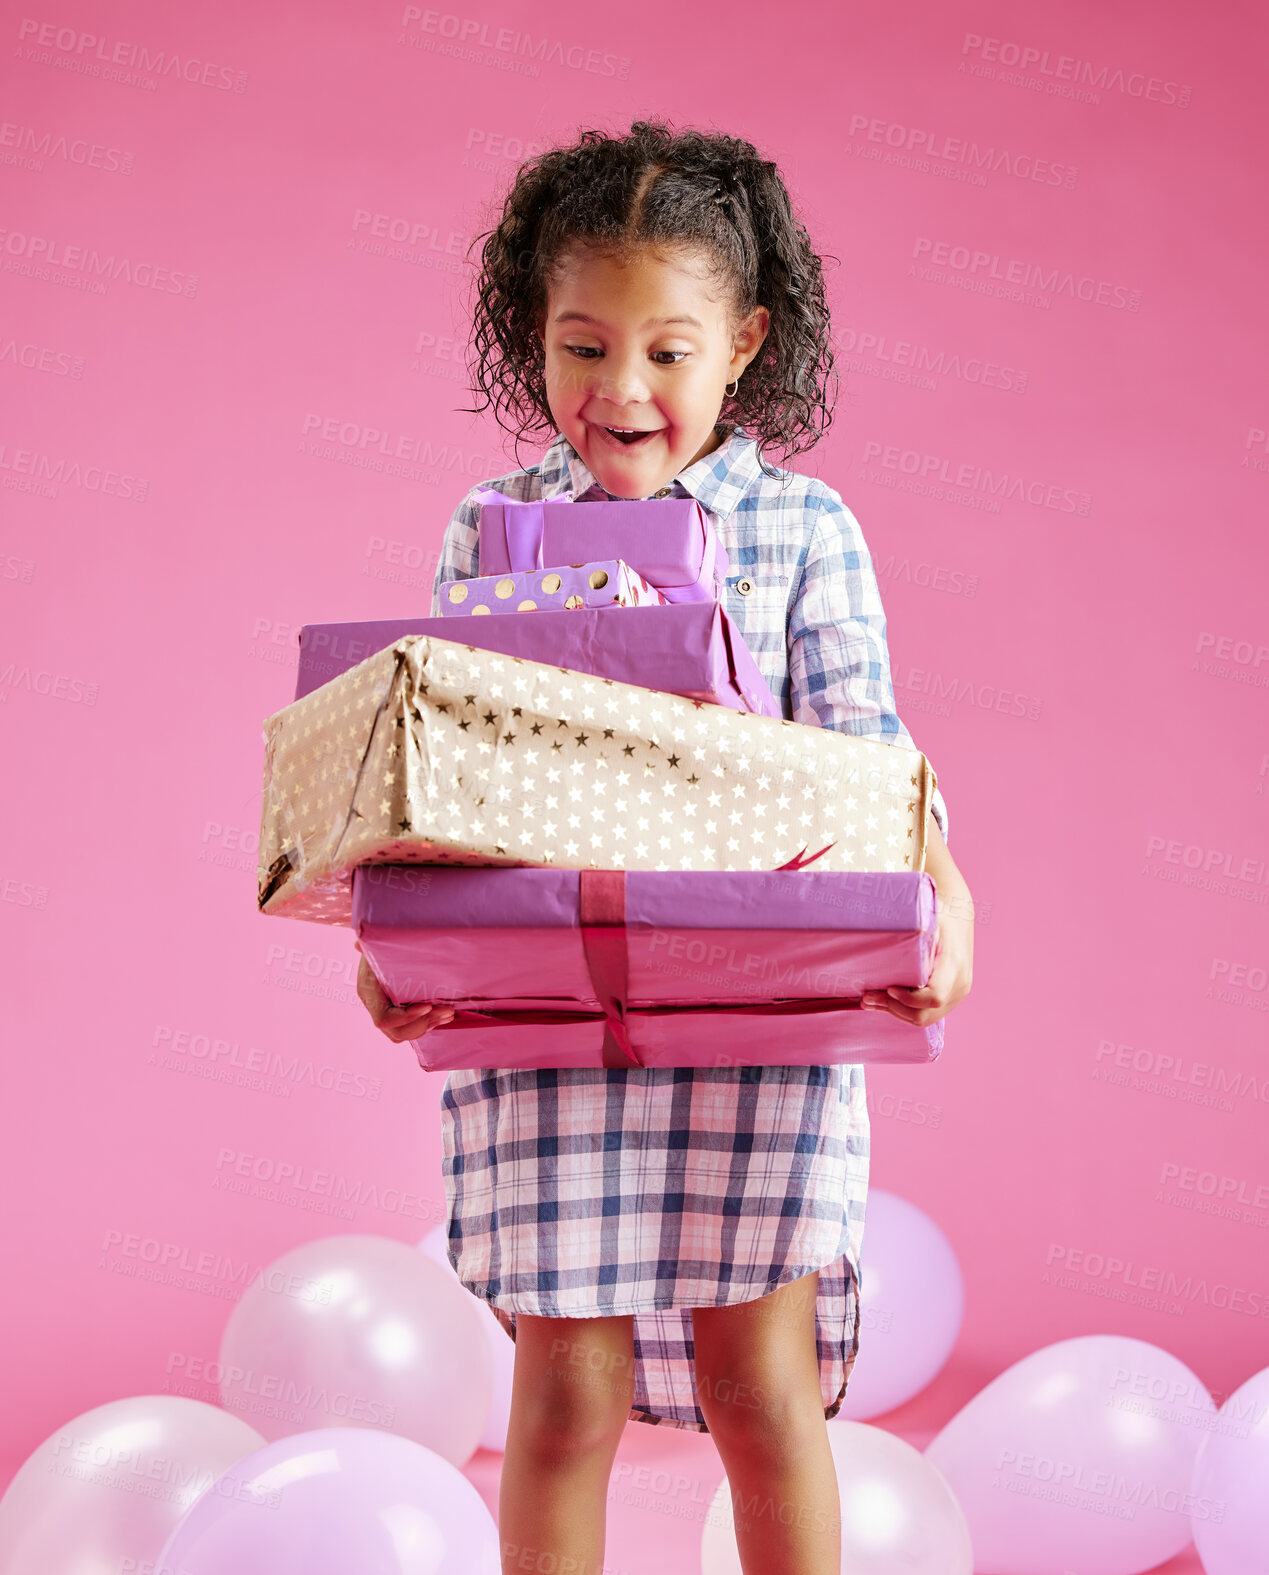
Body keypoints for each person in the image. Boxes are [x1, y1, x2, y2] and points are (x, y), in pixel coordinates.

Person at [355, 119, 974, 1575]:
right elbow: (443, 778)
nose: (620, 391)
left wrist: (943, 893)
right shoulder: (490, 526)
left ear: (746, 344)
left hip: (753, 1021)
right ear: (536, 343)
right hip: (555, 1025)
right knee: (560, 1397)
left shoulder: (805, 531)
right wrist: (392, 949)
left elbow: (870, 747)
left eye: (666, 350)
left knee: (759, 1392)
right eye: (581, 349)